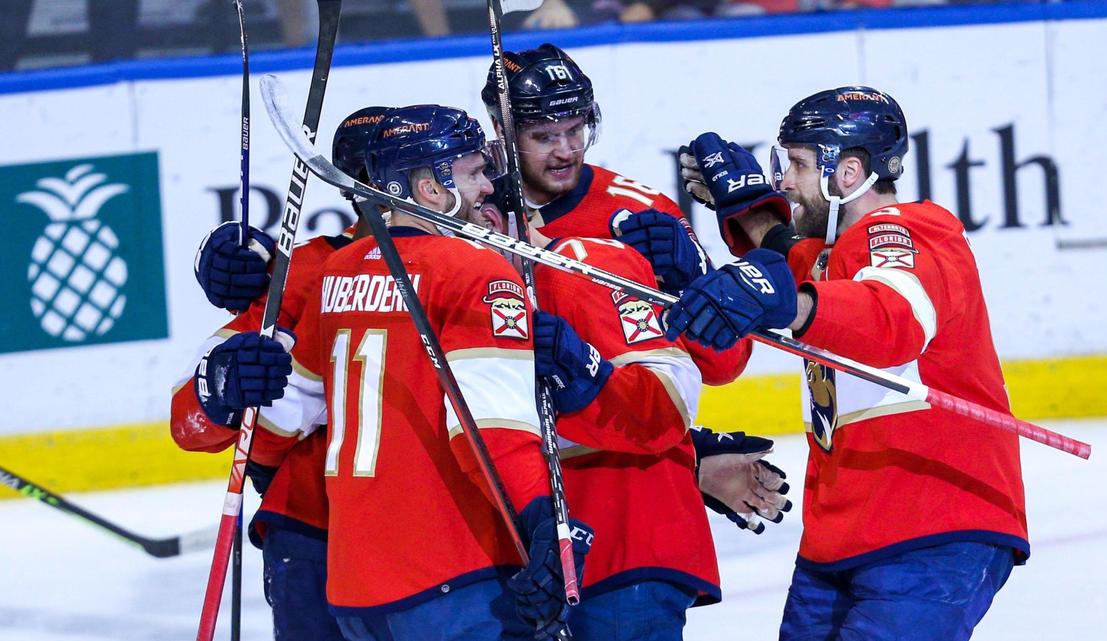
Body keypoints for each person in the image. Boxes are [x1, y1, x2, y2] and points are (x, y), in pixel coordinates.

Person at [668, 86, 1030, 641]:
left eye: (798, 164)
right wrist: (744, 208)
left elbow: (891, 316)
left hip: (931, 527)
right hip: (845, 535)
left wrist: (790, 300)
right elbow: (797, 264)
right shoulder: (835, 252)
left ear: (849, 171)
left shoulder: (905, 231)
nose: (784, 180)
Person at [480, 44, 792, 640]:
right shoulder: (469, 209)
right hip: (509, 525)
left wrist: (688, 283)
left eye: (577, 130)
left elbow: (726, 362)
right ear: (501, 128)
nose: (566, 149)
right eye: (545, 135)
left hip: (626, 521)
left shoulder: (639, 211)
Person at [251, 104, 591, 641]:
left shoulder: (339, 271)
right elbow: (490, 431)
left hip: (355, 588)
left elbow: (280, 421)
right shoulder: (475, 269)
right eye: (475, 171)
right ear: (431, 188)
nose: (488, 187)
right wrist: (546, 522)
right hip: (454, 572)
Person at [170, 106, 392, 641]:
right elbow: (188, 419)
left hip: (446, 536)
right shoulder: (309, 271)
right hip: (318, 530)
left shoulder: (478, 257)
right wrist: (226, 383)